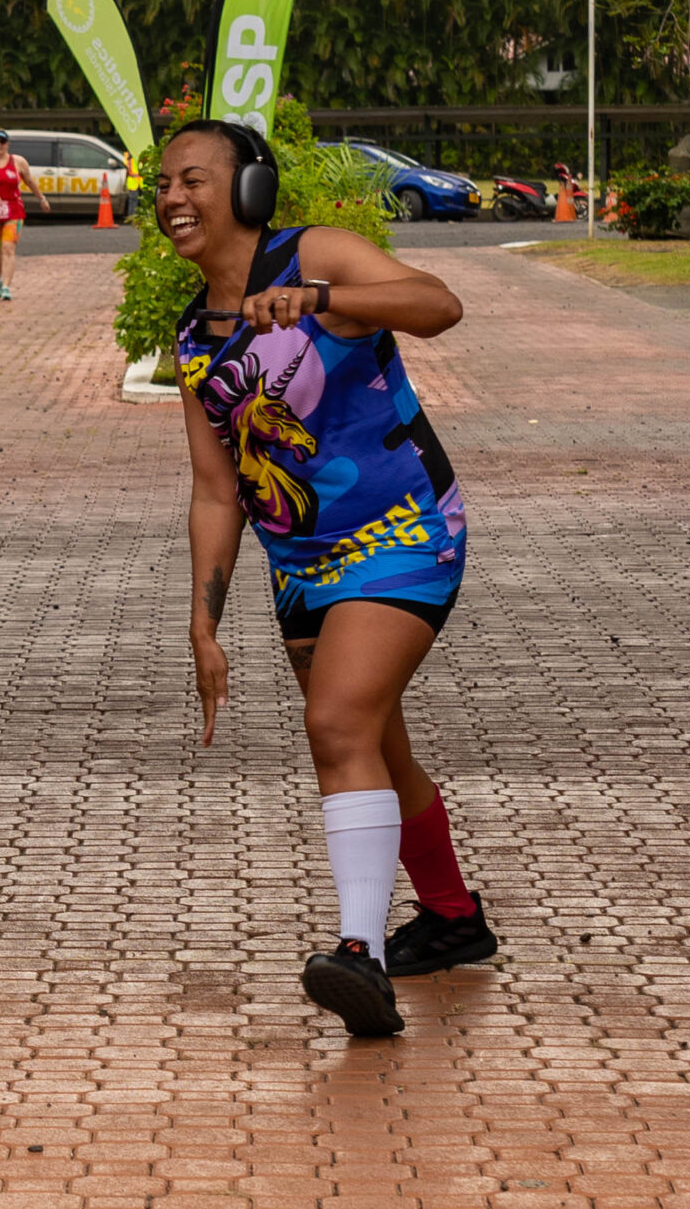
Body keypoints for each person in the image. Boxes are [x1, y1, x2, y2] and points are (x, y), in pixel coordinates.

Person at [159, 119, 496, 1039]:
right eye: (162, 186)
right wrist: (203, 623)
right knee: (378, 745)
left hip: (404, 531)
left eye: (193, 178)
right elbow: (216, 487)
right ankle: (454, 920)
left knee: (337, 721)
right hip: (301, 566)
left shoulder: (309, 255)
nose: (173, 198)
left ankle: (361, 958)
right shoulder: (193, 336)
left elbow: (438, 303)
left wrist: (320, 298)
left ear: (250, 190)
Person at [0, 129, 49, 299]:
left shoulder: (18, 162)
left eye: (2, 142)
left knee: (8, 248)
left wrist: (41, 198)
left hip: (13, 211)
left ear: (8, 144)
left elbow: (29, 181)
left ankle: (6, 286)